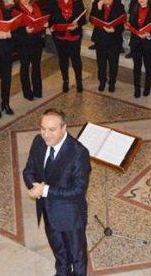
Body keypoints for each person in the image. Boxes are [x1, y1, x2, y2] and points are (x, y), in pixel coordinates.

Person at [22, 109, 91, 276]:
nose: (45, 134)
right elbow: (28, 170)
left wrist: (44, 190)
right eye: (42, 128)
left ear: (64, 128)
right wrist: (34, 185)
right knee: (58, 250)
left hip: (71, 216)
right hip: (48, 211)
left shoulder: (79, 153)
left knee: (77, 256)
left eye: (51, 130)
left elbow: (78, 191)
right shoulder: (38, 142)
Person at [46, 0, 87, 94]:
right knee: (63, 60)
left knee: (76, 60)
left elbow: (83, 19)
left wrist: (77, 24)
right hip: (60, 36)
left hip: (74, 36)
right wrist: (50, 26)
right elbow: (48, 16)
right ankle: (65, 81)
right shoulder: (53, 1)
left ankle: (79, 81)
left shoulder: (78, 1)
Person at [11, 0, 45, 101]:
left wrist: (43, 25)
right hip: (24, 43)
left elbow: (40, 20)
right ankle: (27, 92)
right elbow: (13, 30)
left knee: (36, 66)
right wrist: (24, 30)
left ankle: (38, 89)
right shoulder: (16, 10)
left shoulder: (35, 6)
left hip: (36, 40)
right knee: (25, 67)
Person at [90, 0, 126, 93]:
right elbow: (92, 20)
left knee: (113, 63)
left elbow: (122, 24)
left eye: (109, 0)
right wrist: (99, 8)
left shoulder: (119, 7)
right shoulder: (96, 5)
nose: (107, 2)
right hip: (100, 39)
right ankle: (102, 81)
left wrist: (114, 29)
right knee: (101, 62)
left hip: (114, 40)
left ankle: (112, 82)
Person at [128, 0, 151, 98]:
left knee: (148, 66)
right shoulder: (134, 10)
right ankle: (137, 88)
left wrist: (148, 34)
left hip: (148, 43)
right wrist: (128, 26)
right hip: (136, 42)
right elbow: (132, 25)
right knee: (136, 66)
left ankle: (147, 88)